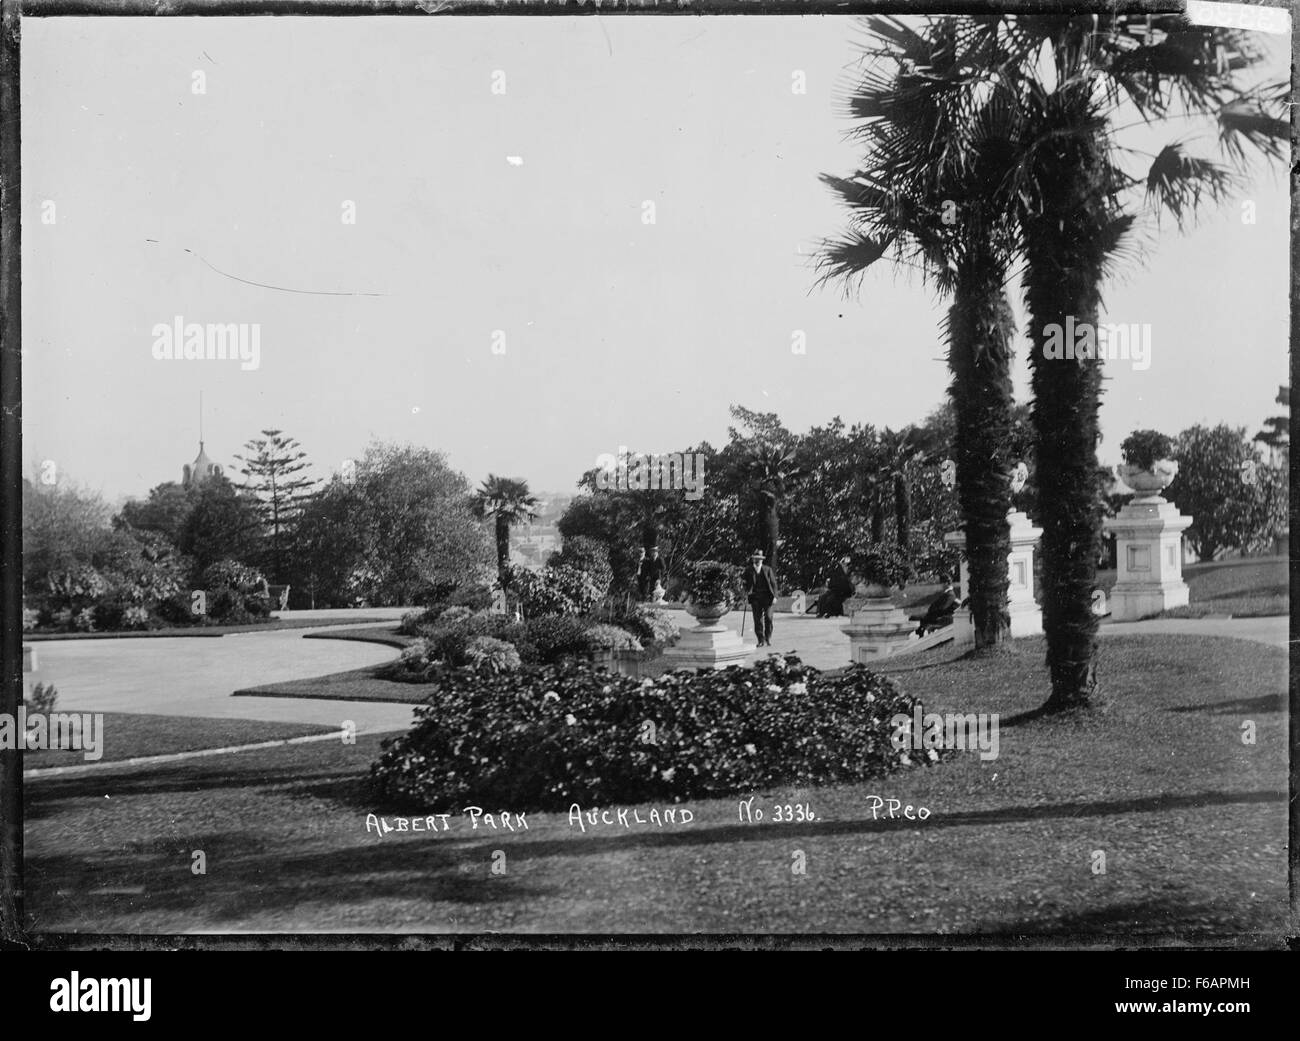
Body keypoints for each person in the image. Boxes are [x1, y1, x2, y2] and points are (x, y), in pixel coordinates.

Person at [742, 549, 778, 647]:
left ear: (762, 560)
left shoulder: (767, 569)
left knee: (769, 618)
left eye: (759, 559)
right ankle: (760, 640)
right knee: (757, 620)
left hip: (767, 597)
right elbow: (744, 584)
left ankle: (768, 638)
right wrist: (745, 595)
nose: (757, 561)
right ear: (753, 559)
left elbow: (774, 584)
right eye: (756, 559)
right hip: (755, 598)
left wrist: (775, 596)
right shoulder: (748, 570)